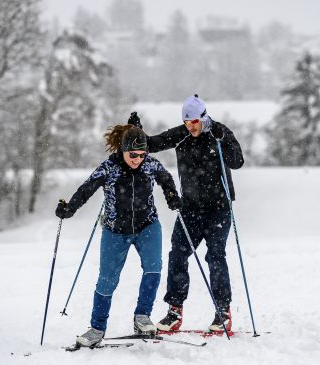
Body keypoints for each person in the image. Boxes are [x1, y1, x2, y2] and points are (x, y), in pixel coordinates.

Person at [55, 123, 182, 347]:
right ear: (122, 150)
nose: (138, 159)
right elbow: (87, 189)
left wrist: (172, 195)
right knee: (107, 281)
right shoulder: (109, 168)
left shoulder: (150, 165)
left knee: (153, 268)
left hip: (147, 226)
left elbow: (166, 179)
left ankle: (142, 317)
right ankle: (97, 328)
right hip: (116, 231)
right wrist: (70, 209)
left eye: (142, 154)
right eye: (133, 154)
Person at [129, 94, 244, 332]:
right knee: (177, 256)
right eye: (187, 122)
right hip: (190, 209)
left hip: (218, 209)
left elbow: (237, 162)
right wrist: (136, 133)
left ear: (204, 117)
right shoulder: (181, 135)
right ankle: (174, 312)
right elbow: (153, 144)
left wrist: (226, 142)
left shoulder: (219, 132)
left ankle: (223, 312)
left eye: (194, 122)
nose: (191, 127)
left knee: (215, 256)